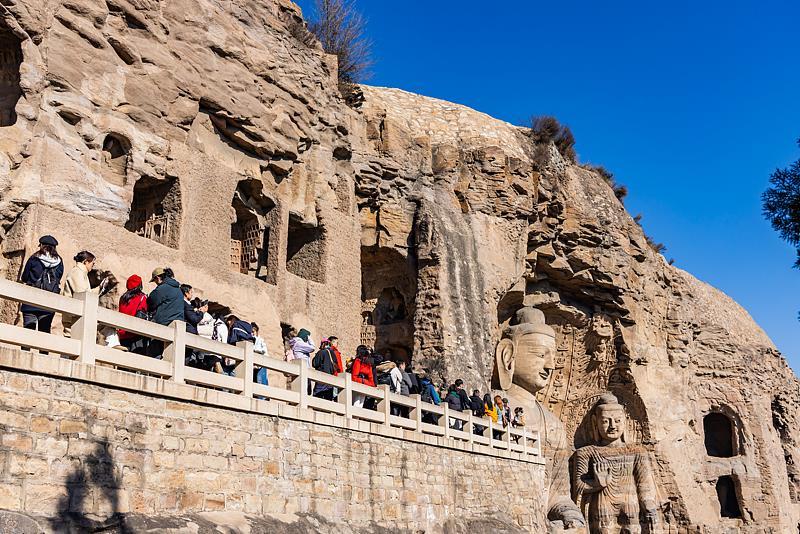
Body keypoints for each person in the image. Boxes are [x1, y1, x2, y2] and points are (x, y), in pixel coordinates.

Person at [19, 235, 64, 333]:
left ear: (41, 245)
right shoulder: (59, 262)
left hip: (30, 301)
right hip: (48, 303)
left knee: (28, 332)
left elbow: (24, 277)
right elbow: (58, 278)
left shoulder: (34, 258)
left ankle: (26, 344)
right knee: (44, 332)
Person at [61, 251, 102, 336]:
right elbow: (81, 294)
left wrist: (100, 288)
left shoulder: (81, 273)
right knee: (72, 338)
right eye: (92, 263)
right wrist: (100, 288)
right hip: (74, 318)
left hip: (76, 318)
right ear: (85, 261)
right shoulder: (77, 272)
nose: (93, 265)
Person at [146, 267, 183, 358]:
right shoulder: (178, 290)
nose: (155, 283)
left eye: (154, 280)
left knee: (154, 354)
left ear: (158, 278)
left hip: (163, 324)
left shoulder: (162, 288)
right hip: (177, 326)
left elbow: (151, 301)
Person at [117, 274, 149, 354]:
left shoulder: (123, 298)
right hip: (136, 334)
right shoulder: (142, 297)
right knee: (137, 358)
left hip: (123, 334)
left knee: (123, 358)